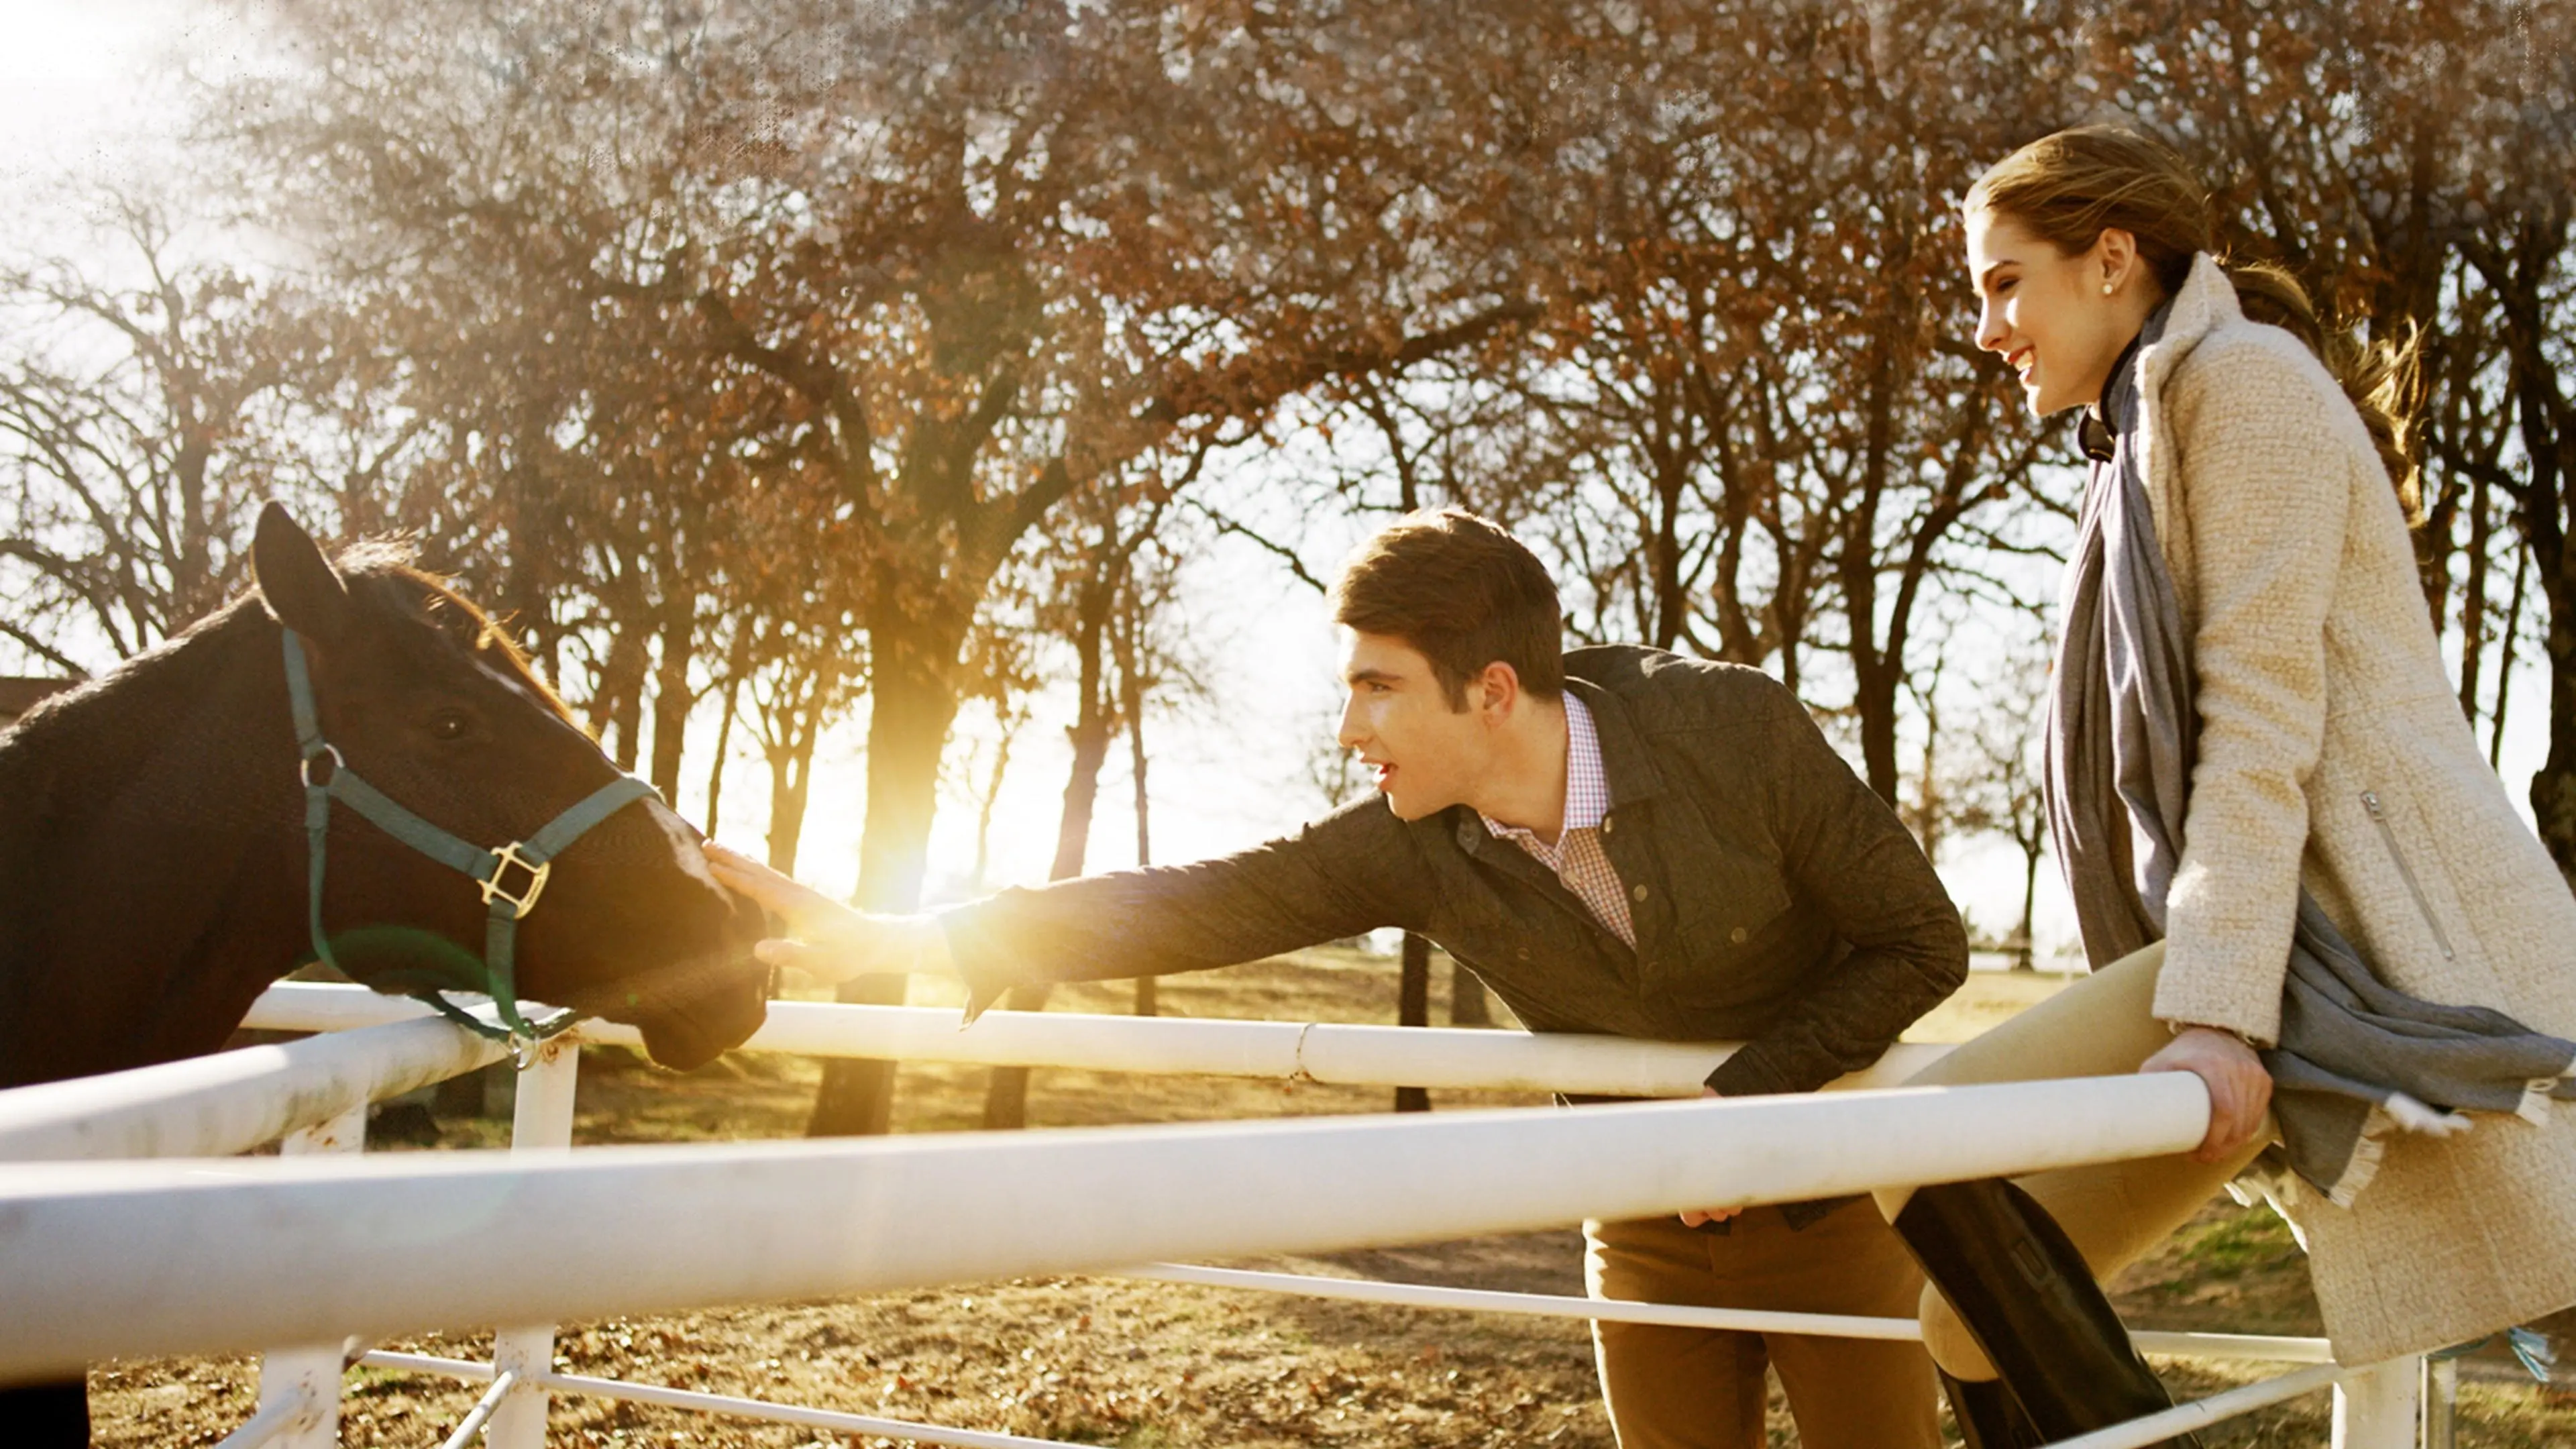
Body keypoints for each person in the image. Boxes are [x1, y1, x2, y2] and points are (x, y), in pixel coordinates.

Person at [710, 508, 1969, 1449]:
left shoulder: (1731, 729)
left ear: (1490, 691)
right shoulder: (1412, 837)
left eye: (1378, 688)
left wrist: (1740, 1108)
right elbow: (1200, 902)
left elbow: (1924, 939)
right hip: (1640, 1227)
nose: (1350, 728)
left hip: (1831, 1201)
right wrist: (910, 937)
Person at [1874, 123, 2576, 1448]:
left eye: (2005, 281)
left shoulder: (2240, 385)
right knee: (1967, 1320)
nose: (1985, 328)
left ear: (2112, 259)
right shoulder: (2128, 446)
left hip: (2328, 956)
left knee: (1907, 1147)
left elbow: (2260, 724)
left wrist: (2215, 1012)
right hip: (2231, 956)